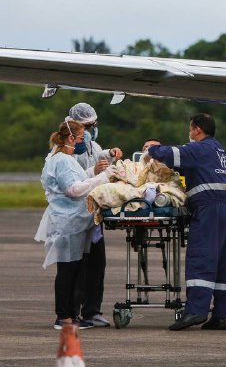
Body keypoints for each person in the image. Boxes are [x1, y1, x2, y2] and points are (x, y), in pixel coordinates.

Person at [145, 114, 226, 331]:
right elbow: (192, 167)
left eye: (190, 129)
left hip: (209, 209)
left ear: (197, 130)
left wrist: (152, 149)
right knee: (224, 262)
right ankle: (220, 316)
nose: (189, 133)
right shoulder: (217, 149)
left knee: (202, 257)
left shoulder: (199, 148)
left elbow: (174, 153)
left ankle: (195, 311)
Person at [36, 120, 112, 330]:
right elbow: (73, 189)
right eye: (80, 138)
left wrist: (93, 173)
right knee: (68, 271)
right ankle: (64, 316)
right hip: (67, 223)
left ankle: (71, 314)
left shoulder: (65, 159)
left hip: (74, 222)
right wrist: (102, 179)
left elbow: (78, 178)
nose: (82, 141)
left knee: (76, 270)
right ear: (71, 138)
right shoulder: (61, 160)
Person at [67, 102, 122, 329]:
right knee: (77, 267)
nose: (90, 130)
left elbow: (99, 157)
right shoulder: (66, 149)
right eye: (86, 126)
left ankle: (92, 311)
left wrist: (110, 154)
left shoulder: (92, 145)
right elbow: (75, 181)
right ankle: (72, 313)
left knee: (97, 265)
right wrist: (96, 172)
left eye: (93, 125)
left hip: (93, 216)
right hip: (75, 216)